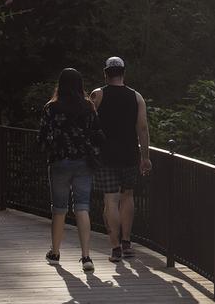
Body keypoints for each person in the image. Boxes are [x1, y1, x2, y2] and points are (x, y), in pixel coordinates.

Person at [37, 67, 104, 272]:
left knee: (59, 208)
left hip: (59, 162)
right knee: (82, 207)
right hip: (84, 162)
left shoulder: (51, 107)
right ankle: (86, 257)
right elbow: (97, 134)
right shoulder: (88, 107)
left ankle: (55, 252)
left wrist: (49, 149)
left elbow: (44, 136)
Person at [91, 56, 151, 263]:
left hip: (105, 155)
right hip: (129, 155)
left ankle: (115, 247)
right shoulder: (136, 97)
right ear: (123, 73)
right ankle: (127, 243)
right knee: (128, 197)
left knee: (111, 199)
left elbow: (88, 124)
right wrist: (145, 157)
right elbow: (142, 128)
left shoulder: (97, 95)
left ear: (105, 73)